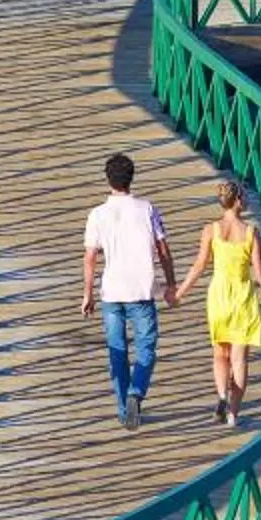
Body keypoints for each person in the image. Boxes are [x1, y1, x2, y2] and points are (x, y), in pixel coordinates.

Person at [174, 177, 261, 429]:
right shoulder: (252, 233)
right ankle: (233, 414)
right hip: (242, 296)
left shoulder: (211, 230)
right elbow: (260, 270)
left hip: (219, 295)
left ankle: (221, 395)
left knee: (220, 353)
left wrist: (180, 293)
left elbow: (200, 265)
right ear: (239, 201)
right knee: (240, 360)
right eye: (246, 195)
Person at [81, 152, 173, 428]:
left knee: (117, 351)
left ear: (107, 179)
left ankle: (124, 410)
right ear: (131, 178)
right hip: (141, 290)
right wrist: (170, 283)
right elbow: (163, 250)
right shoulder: (147, 209)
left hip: (111, 291)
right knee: (146, 348)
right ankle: (137, 391)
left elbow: (90, 257)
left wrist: (87, 293)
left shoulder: (97, 214)